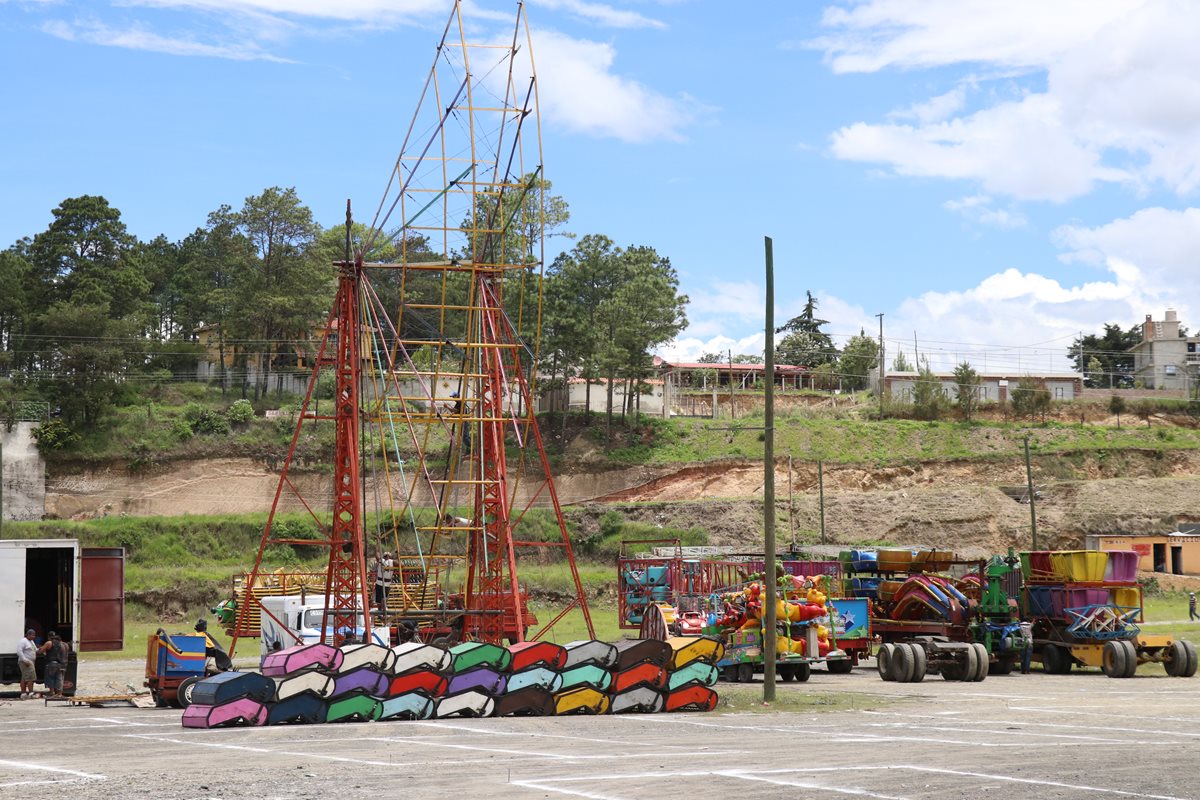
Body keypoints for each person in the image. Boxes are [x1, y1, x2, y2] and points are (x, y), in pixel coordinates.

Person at [39, 631, 69, 698]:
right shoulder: (65, 644)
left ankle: (51, 692)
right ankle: (59, 694)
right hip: (62, 664)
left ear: (49, 637)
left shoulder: (49, 643)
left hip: (52, 663)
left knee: (50, 678)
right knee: (60, 679)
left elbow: (40, 651)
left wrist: (42, 650)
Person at [17, 629, 37, 699]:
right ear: (28, 634)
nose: (34, 636)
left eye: (34, 635)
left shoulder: (31, 641)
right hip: (26, 662)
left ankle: (23, 694)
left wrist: (39, 649)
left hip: (30, 661)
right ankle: (31, 693)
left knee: (24, 677)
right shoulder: (23, 641)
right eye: (33, 635)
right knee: (30, 677)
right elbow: (19, 651)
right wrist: (24, 660)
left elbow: (34, 649)